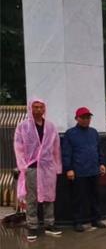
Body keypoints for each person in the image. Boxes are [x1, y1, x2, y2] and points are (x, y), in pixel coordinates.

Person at [14, 98, 62, 241]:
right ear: (30, 108)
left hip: (48, 167)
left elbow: (56, 148)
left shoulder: (51, 127)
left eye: (41, 107)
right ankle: (32, 226)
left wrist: (57, 167)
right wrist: (23, 166)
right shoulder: (23, 126)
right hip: (31, 167)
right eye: (35, 107)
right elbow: (18, 147)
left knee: (49, 196)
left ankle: (49, 224)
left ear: (44, 109)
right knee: (32, 198)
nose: (38, 110)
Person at [62, 107, 106, 231]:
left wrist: (101, 163)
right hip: (78, 171)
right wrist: (69, 169)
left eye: (88, 117)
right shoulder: (70, 133)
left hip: (93, 170)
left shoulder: (93, 132)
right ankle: (78, 221)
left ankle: (96, 219)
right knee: (78, 197)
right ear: (77, 118)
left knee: (95, 196)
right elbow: (66, 153)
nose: (86, 120)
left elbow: (99, 149)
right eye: (83, 118)